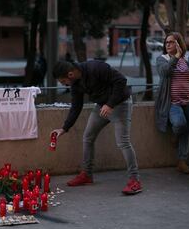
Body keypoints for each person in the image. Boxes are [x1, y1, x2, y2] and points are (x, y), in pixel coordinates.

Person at [51, 60, 142, 195]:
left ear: (70, 74)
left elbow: (121, 81)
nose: (63, 84)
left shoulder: (96, 67)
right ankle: (87, 175)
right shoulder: (76, 84)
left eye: (63, 81)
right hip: (101, 107)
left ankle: (135, 181)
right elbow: (76, 107)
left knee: (123, 142)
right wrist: (64, 128)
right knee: (88, 137)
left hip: (120, 104)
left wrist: (110, 104)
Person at [155, 32, 189, 174]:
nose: (167, 44)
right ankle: (175, 135)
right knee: (180, 124)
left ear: (179, 44)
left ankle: (182, 161)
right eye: (166, 42)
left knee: (187, 131)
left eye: (171, 42)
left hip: (188, 101)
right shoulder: (162, 59)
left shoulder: (186, 60)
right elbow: (165, 72)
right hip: (172, 102)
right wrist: (175, 57)